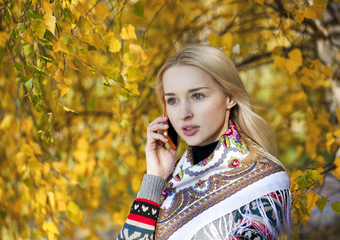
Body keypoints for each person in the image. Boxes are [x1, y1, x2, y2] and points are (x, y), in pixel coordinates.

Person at [117, 44, 292, 240]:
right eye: (173, 100)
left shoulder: (264, 179)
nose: (184, 114)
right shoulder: (170, 181)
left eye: (197, 96)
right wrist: (154, 179)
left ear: (230, 97)